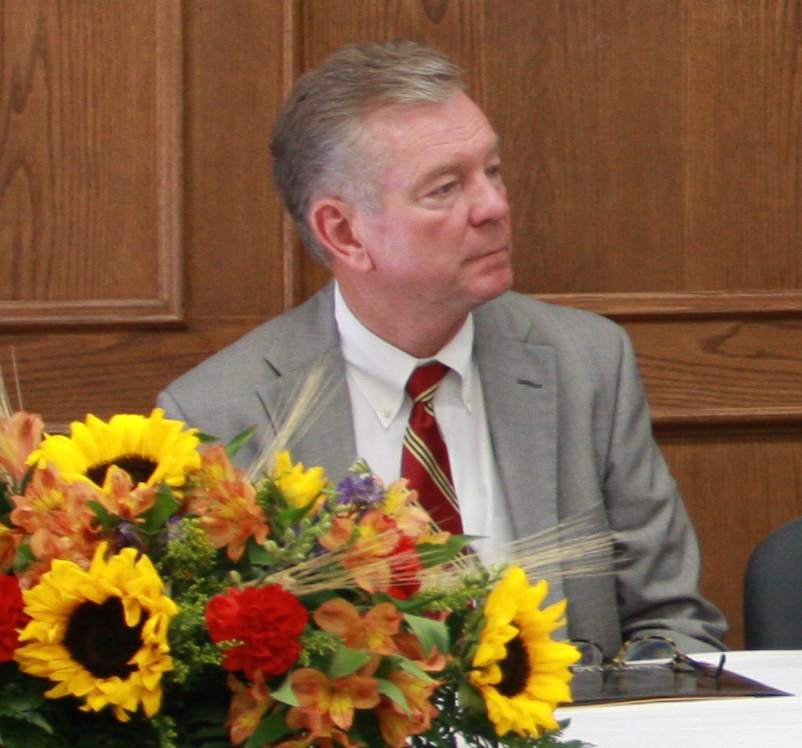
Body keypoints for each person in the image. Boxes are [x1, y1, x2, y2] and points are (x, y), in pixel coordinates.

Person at [160, 41, 726, 659]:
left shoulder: (586, 363)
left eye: (493, 170)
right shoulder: (220, 416)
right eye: (444, 188)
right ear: (344, 232)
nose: (495, 206)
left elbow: (671, 624)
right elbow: (217, 675)